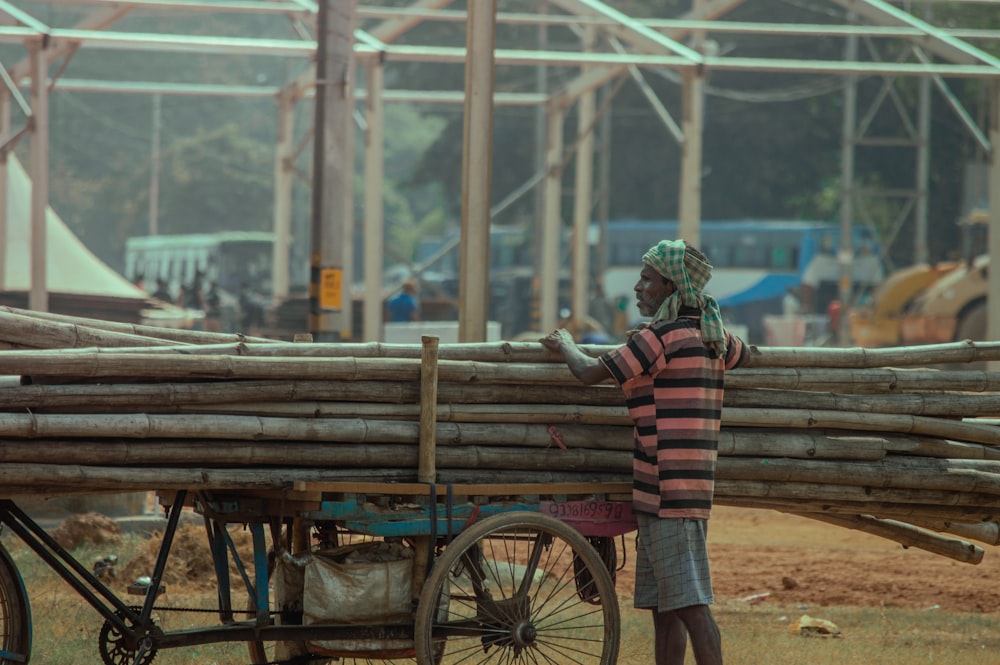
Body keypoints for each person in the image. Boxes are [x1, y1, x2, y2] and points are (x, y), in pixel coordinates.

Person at [541, 239, 748, 665]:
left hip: (668, 486)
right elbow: (746, 354)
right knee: (665, 609)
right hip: (672, 486)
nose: (638, 287)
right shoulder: (713, 336)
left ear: (670, 286)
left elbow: (586, 372)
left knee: (690, 604)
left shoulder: (662, 337)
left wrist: (564, 342)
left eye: (646, 279)